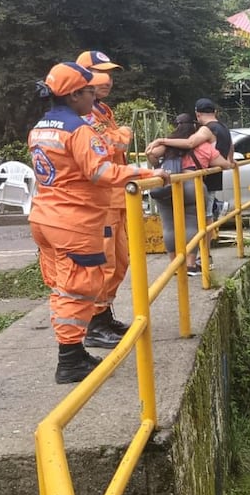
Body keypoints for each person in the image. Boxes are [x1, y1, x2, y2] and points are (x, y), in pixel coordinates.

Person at [28, 62, 168, 384]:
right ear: (75, 94)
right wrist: (148, 174)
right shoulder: (78, 130)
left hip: (45, 217)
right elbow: (101, 173)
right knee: (77, 290)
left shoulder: (40, 127)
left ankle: (73, 353)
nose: (94, 96)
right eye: (90, 91)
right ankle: (70, 360)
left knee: (62, 288)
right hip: (73, 221)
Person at [76, 50, 133, 348]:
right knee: (105, 263)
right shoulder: (82, 114)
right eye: (100, 73)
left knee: (121, 261)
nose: (108, 80)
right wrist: (123, 133)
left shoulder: (103, 110)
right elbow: (113, 143)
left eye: (110, 73)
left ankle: (105, 314)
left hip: (117, 197)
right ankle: (94, 325)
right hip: (100, 201)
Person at [145, 114, 233, 275]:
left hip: (168, 184)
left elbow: (151, 154)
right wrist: (229, 158)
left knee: (169, 226)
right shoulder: (203, 146)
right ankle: (190, 264)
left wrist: (158, 163)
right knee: (192, 224)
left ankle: (174, 265)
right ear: (195, 127)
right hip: (192, 184)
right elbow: (225, 165)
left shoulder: (169, 144)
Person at [153, 98, 232, 219]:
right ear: (215, 112)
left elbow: (190, 143)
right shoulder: (224, 128)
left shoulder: (207, 129)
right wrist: (230, 161)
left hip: (204, 178)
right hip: (216, 176)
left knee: (204, 217)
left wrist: (163, 140)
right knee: (207, 215)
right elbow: (231, 146)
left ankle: (205, 238)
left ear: (197, 113)